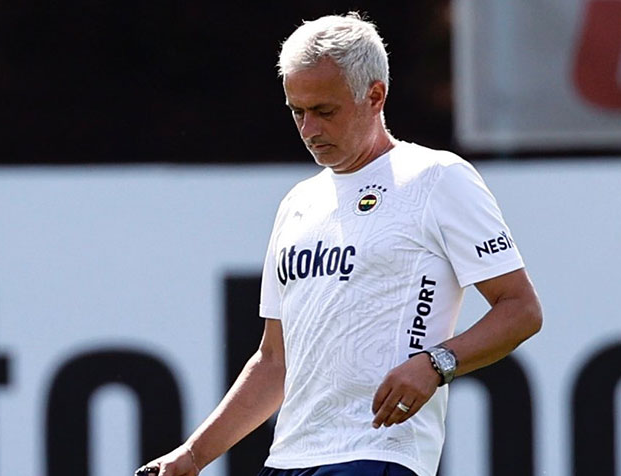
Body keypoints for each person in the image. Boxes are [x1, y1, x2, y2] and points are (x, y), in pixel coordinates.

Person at [139, 12, 542, 476]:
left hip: (378, 452)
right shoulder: (298, 203)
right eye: (297, 112)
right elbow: (274, 360)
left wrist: (436, 363)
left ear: (375, 96)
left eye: (325, 111)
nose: (309, 129)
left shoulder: (437, 178)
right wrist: (193, 455)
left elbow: (520, 309)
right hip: (288, 460)